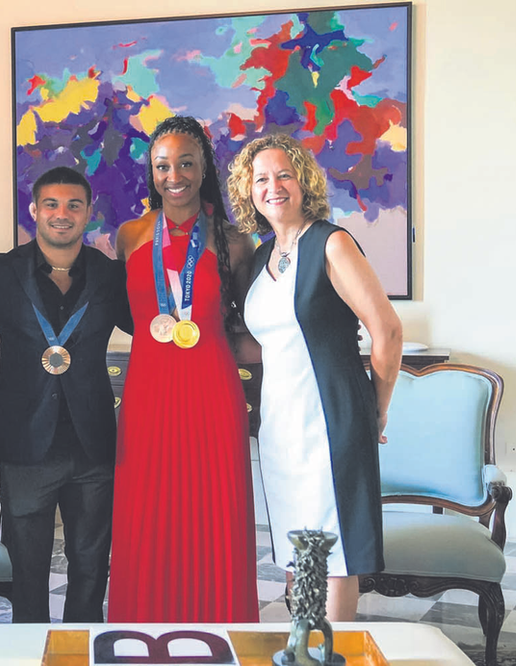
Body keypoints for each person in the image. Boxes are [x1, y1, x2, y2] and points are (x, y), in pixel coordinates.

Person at [226, 133, 403, 621]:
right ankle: (302, 644)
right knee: (294, 539)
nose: (273, 186)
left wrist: (376, 408)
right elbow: (266, 344)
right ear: (249, 191)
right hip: (281, 422)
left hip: (332, 417)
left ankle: (332, 650)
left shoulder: (332, 242)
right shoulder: (262, 257)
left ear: (303, 182)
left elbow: (386, 329)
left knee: (333, 548)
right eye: (261, 178)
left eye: (284, 174)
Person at [107, 116, 259, 622]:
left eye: (186, 163)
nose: (175, 175)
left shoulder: (236, 241)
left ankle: (221, 632)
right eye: (163, 165)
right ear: (152, 172)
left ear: (203, 168)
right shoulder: (127, 236)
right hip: (148, 391)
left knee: (214, 514)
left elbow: (251, 324)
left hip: (213, 391)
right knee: (149, 514)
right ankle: (143, 636)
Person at [0, 166, 132, 623]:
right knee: (26, 566)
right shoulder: (0, 271)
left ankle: (81, 644)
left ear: (88, 214)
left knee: (90, 563)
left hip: (93, 443)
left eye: (73, 206)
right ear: (34, 211)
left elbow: (151, 328)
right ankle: (31, 645)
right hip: (25, 444)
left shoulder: (109, 275)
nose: (62, 214)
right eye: (52, 205)